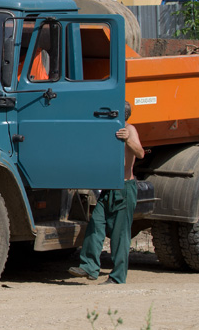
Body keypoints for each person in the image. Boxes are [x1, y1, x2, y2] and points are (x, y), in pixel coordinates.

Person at [70, 101, 144, 284]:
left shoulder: (129, 129)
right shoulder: (109, 131)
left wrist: (128, 139)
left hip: (124, 189)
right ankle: (89, 267)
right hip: (108, 189)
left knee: (120, 235)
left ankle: (118, 277)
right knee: (96, 224)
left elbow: (140, 153)